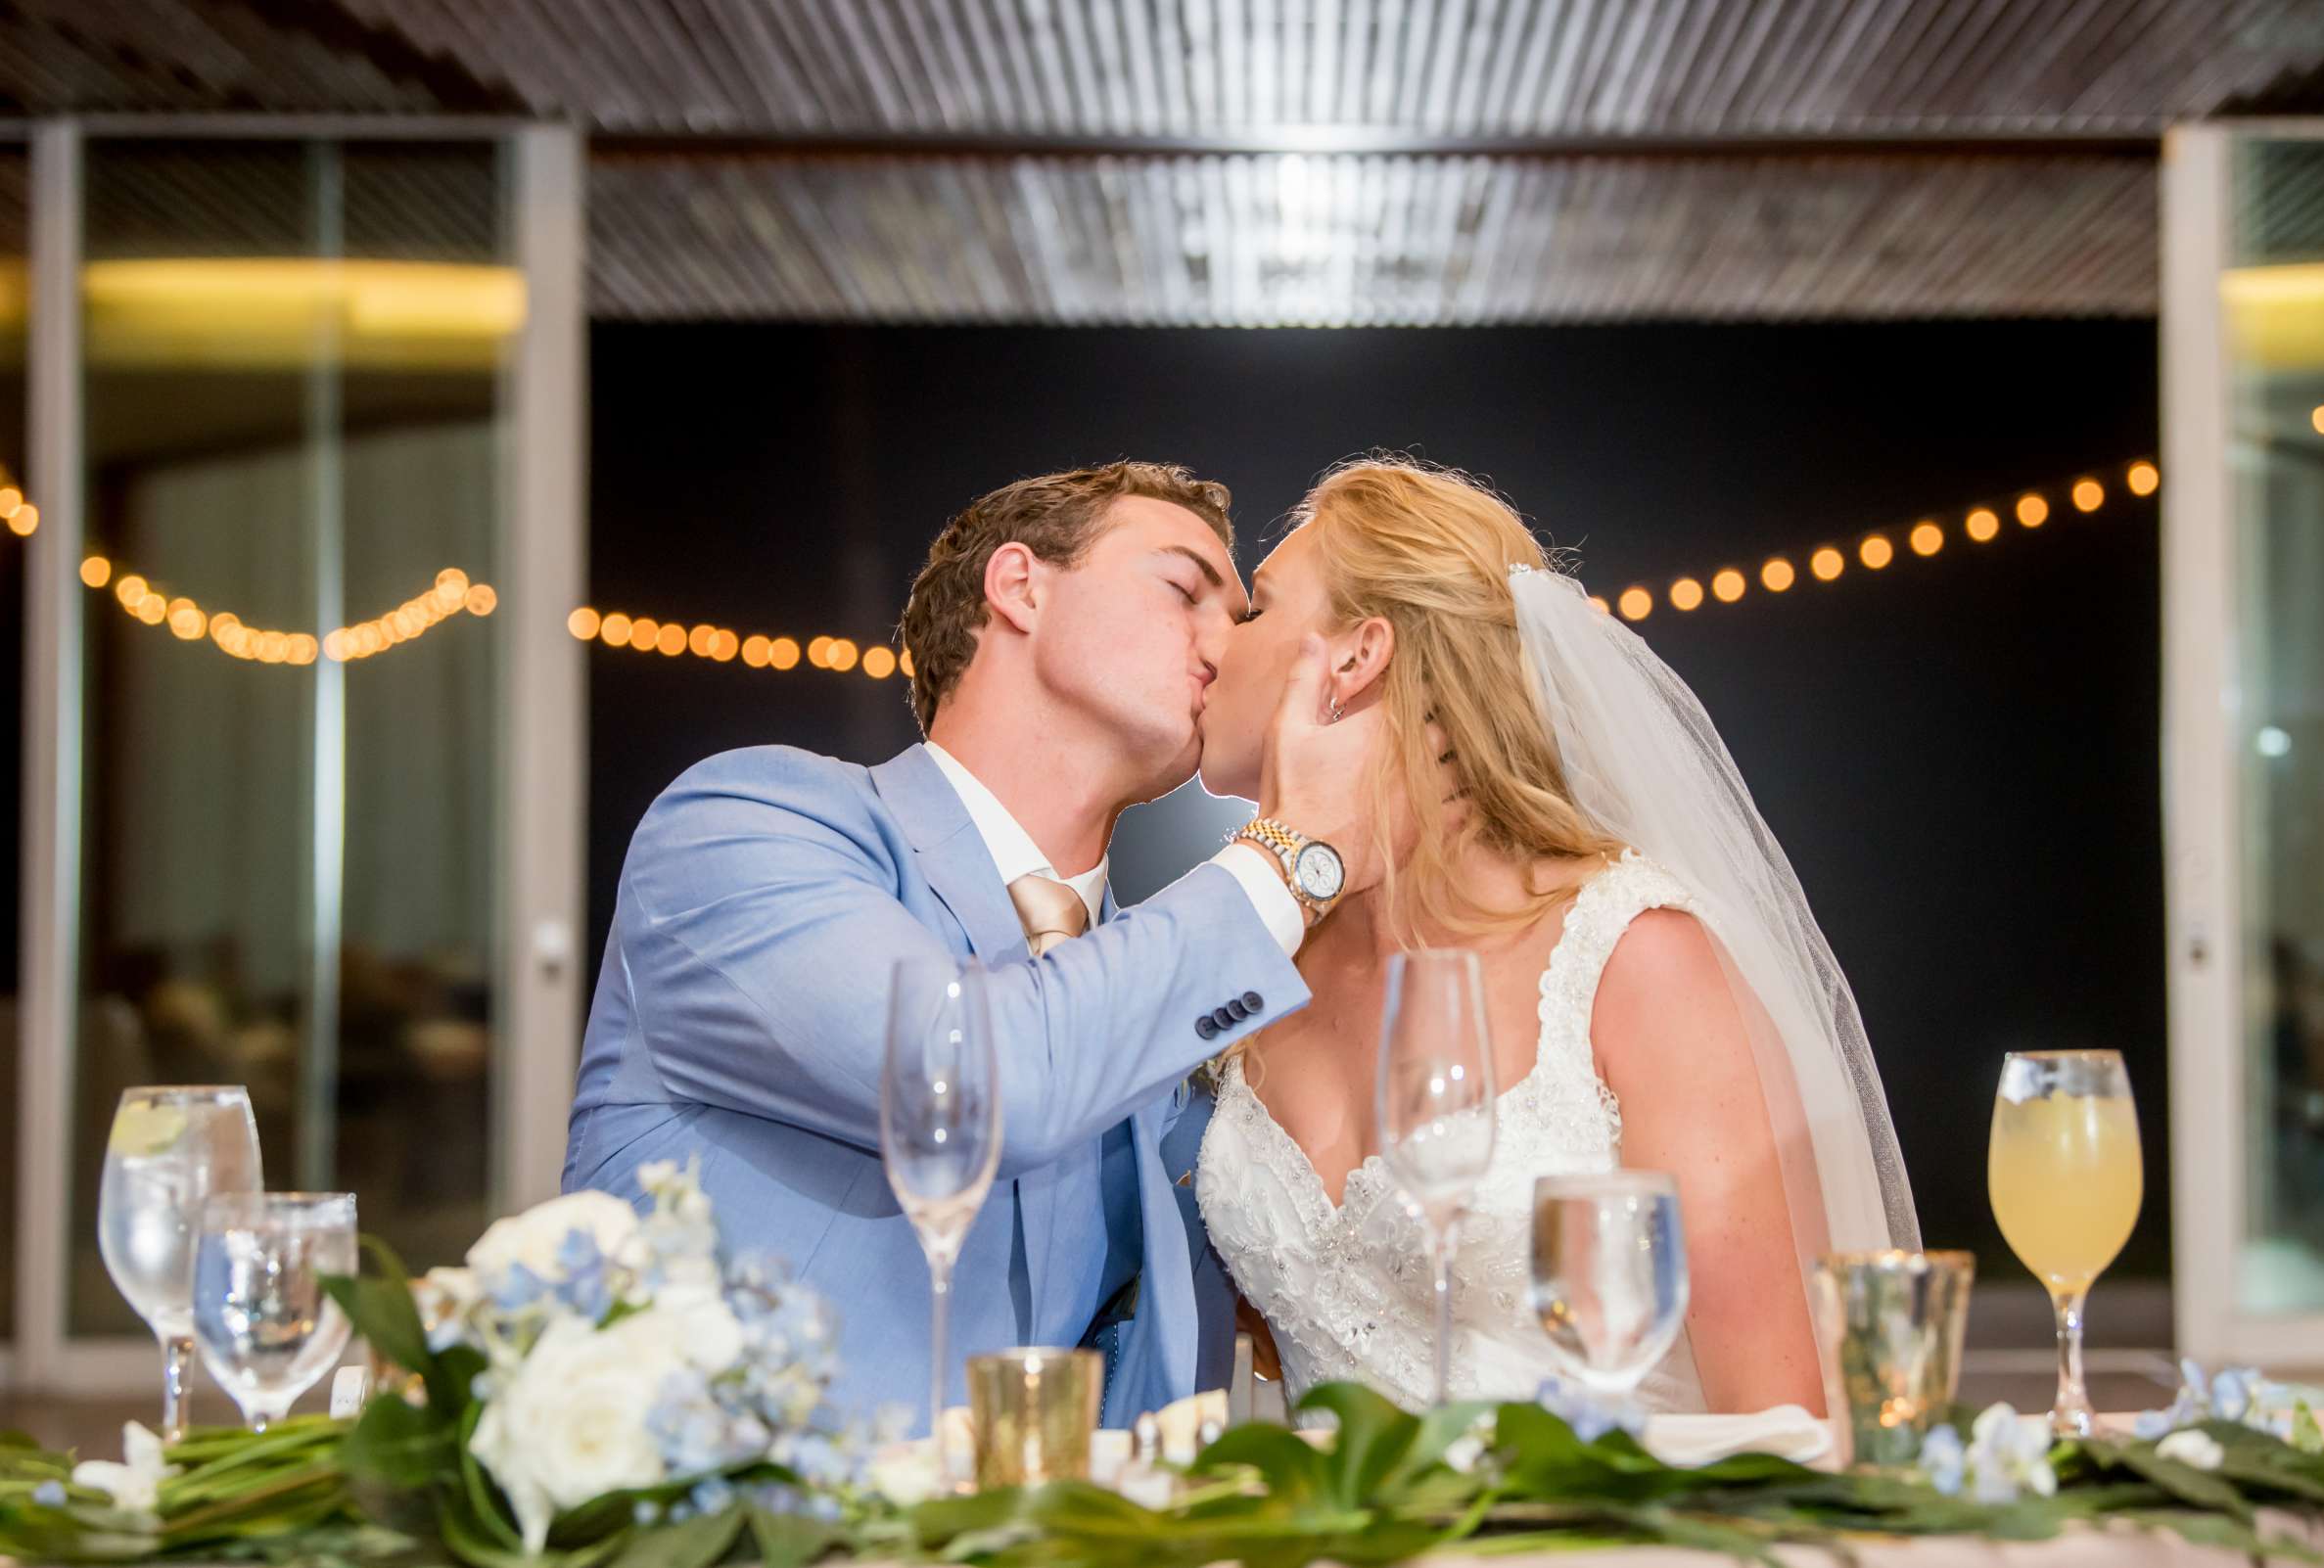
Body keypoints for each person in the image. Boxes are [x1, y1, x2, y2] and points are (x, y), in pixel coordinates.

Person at [563, 461, 1385, 1426]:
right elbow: (977, 1079)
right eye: (1183, 589)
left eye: (1240, 617)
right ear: (1020, 586)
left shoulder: (1168, 996)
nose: (1224, 643)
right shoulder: (744, 823)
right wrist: (1291, 858)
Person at [1192, 457, 1917, 1415]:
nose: (1212, 641)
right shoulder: (1253, 965)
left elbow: (1788, 1414)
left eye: (1254, 610)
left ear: (1356, 658)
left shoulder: (1635, 958)